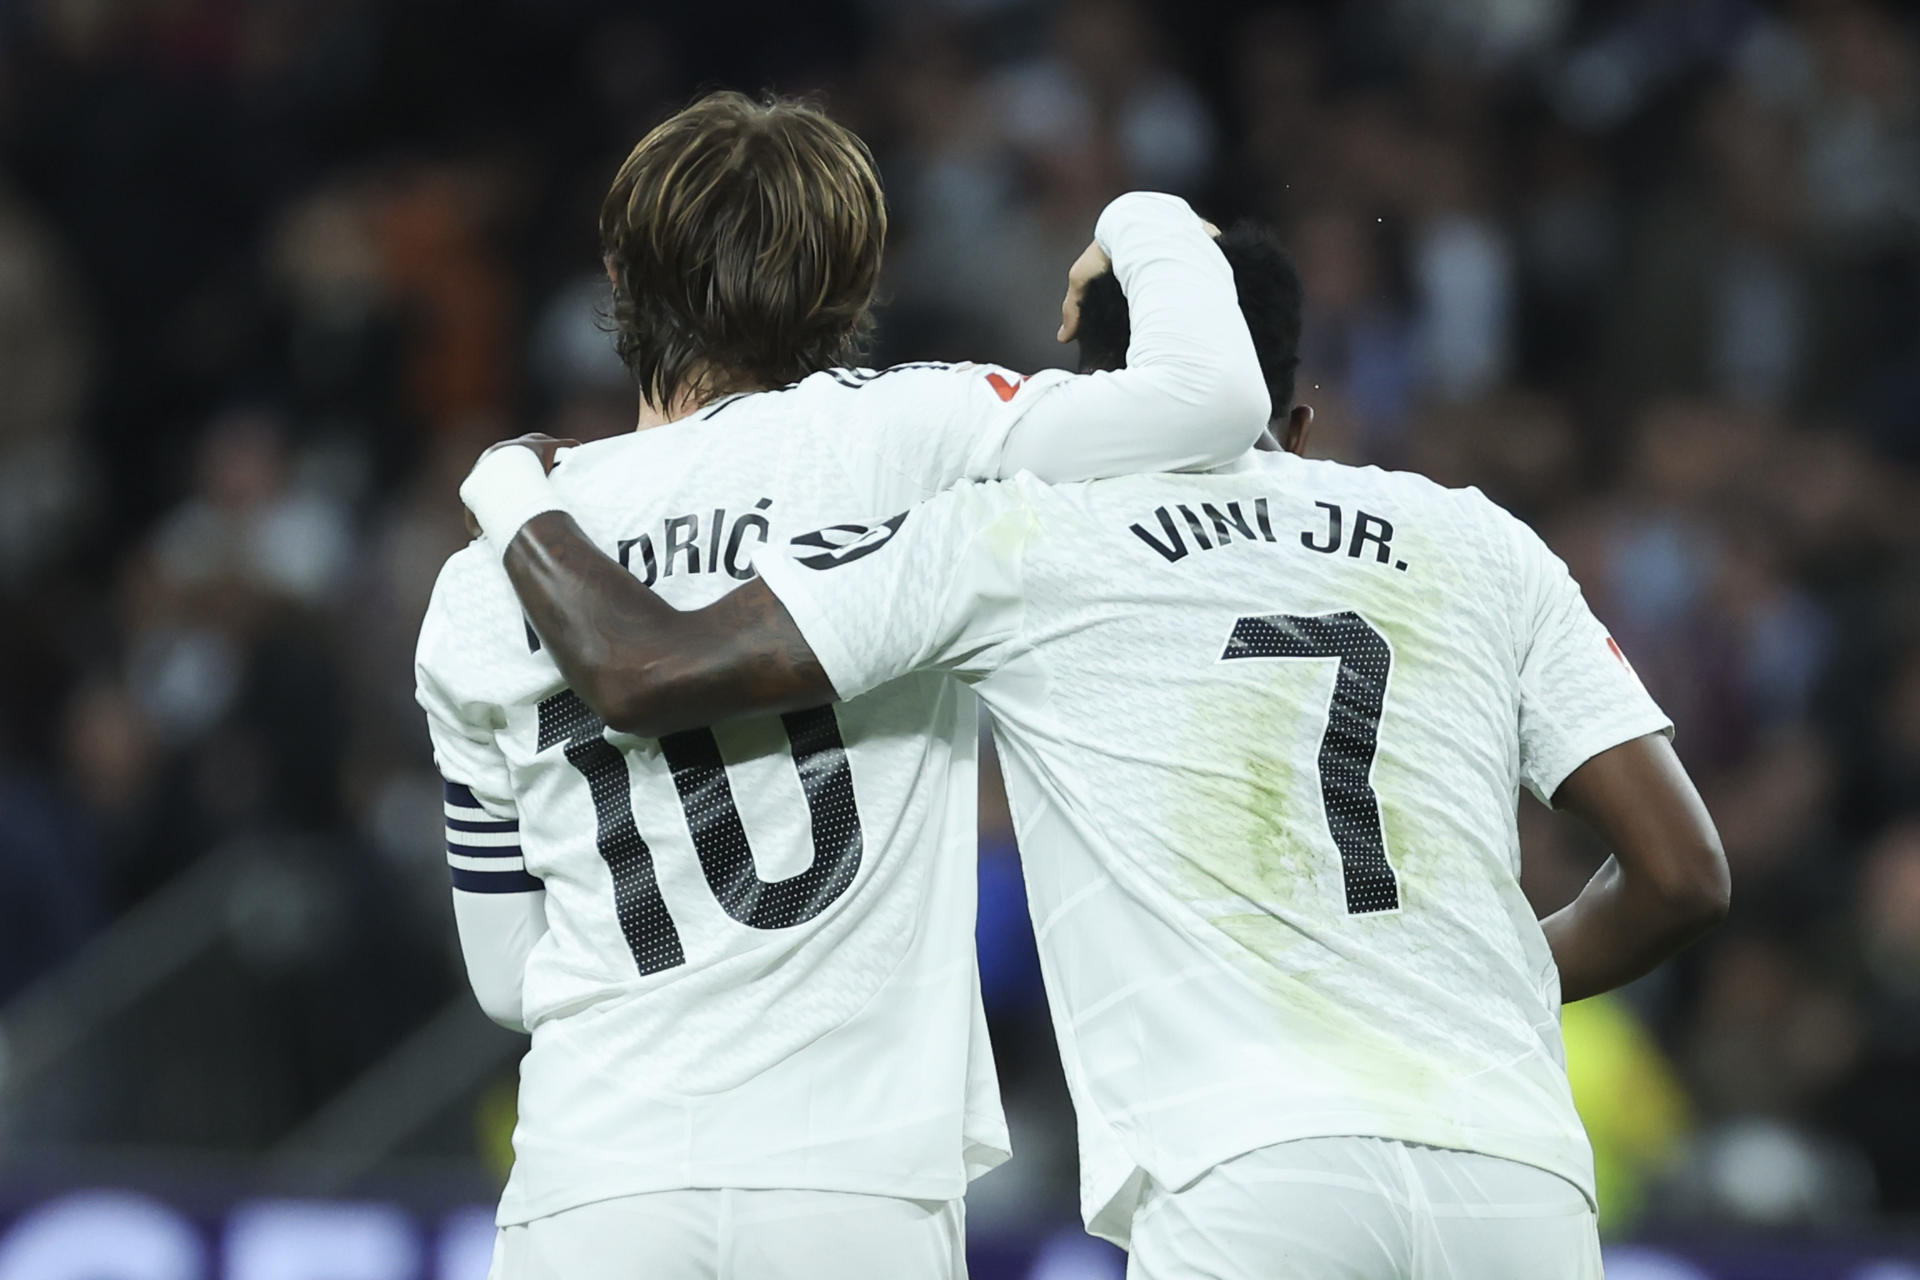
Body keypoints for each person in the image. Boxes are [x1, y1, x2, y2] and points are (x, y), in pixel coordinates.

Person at [463, 222, 1731, 1278]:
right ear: (1302, 407)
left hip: (1247, 1172)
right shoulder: (1479, 541)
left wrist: (515, 491)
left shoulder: (1026, 537)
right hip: (1519, 1177)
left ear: (1097, 390)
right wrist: (1486, 980)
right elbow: (1682, 872)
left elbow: (647, 666)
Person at [416, 89, 1269, 1280]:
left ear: (619, 273)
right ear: (850, 284)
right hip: (855, 1177)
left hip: (593, 1180)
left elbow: (510, 978)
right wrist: (1144, 214)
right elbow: (1220, 400)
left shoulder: (484, 576)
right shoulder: (911, 435)